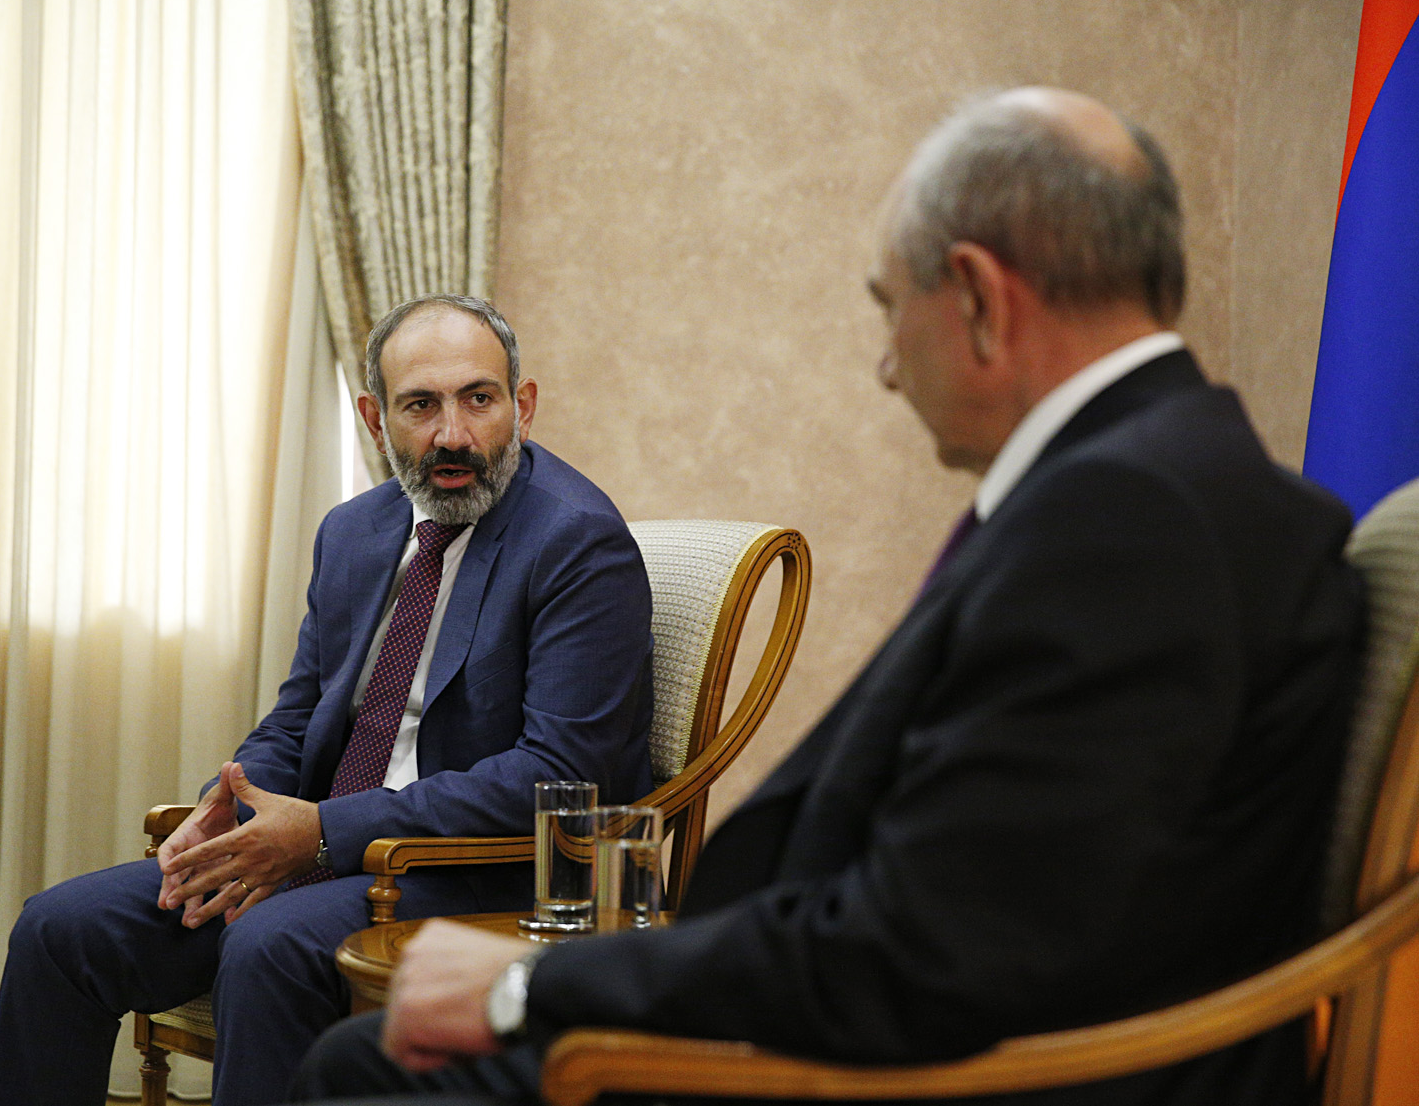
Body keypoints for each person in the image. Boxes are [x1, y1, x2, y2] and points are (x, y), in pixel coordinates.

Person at [293, 89, 1366, 1106]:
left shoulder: (1128, 525)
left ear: (979, 298)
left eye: (890, 310)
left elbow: (919, 950)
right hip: (904, 1020)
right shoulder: (1160, 482)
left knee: (365, 1067)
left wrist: (527, 986)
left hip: (942, 1069)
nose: (888, 367)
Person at [0, 295, 656, 1106]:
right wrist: (233, 807)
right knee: (59, 929)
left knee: (267, 946)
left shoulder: (576, 539)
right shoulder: (354, 531)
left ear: (524, 404)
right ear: (375, 418)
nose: (454, 434)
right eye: (421, 405)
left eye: (479, 398)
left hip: (478, 869)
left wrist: (325, 831)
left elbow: (558, 774)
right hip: (323, 849)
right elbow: (298, 716)